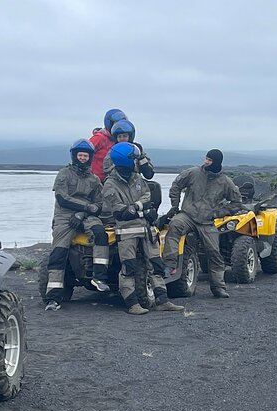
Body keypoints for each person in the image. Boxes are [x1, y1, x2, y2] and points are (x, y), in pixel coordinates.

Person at [102, 142, 184, 315]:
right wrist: (143, 211)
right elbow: (120, 212)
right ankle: (132, 304)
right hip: (126, 232)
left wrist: (137, 207)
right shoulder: (110, 184)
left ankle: (162, 300)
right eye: (135, 159)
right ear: (127, 161)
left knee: (156, 264)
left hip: (147, 230)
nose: (137, 162)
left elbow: (148, 198)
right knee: (128, 268)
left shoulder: (138, 178)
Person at [163, 149, 242, 299]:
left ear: (217, 162)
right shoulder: (193, 173)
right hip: (187, 215)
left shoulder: (225, 182)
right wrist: (175, 206)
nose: (206, 162)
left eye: (209, 160)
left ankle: (218, 287)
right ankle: (170, 266)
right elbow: (176, 186)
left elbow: (237, 203)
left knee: (214, 252)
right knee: (174, 227)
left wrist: (217, 213)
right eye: (206, 159)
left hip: (207, 221)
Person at [44, 139, 110, 311]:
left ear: (89, 157)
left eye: (85, 155)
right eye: (80, 155)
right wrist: (85, 207)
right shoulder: (64, 174)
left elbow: (100, 204)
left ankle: (99, 277)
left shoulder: (94, 179)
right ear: (74, 156)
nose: (82, 158)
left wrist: (85, 212)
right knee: (59, 252)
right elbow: (61, 198)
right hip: (65, 216)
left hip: (86, 216)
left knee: (100, 233)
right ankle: (53, 297)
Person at [89, 108, 127, 181]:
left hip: (113, 179)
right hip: (96, 181)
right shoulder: (100, 137)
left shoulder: (119, 140)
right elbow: (85, 150)